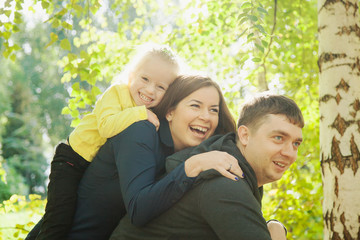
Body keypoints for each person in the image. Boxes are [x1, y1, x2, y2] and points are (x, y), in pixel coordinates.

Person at [26, 43, 182, 240]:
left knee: (68, 213)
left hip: (91, 167)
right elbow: (107, 127)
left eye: (161, 87)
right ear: (132, 74)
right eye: (145, 79)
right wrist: (140, 113)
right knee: (58, 219)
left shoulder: (149, 112)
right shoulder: (117, 93)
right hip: (71, 161)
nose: (150, 90)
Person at [67, 75, 244, 240]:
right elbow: (138, 211)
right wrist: (193, 166)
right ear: (170, 112)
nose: (206, 117)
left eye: (214, 110)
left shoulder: (189, 156)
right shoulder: (141, 131)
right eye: (195, 106)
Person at [110, 93, 304, 240]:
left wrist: (274, 225)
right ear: (244, 135)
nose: (289, 152)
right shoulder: (225, 183)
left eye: (296, 143)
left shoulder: (231, 165)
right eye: (278, 138)